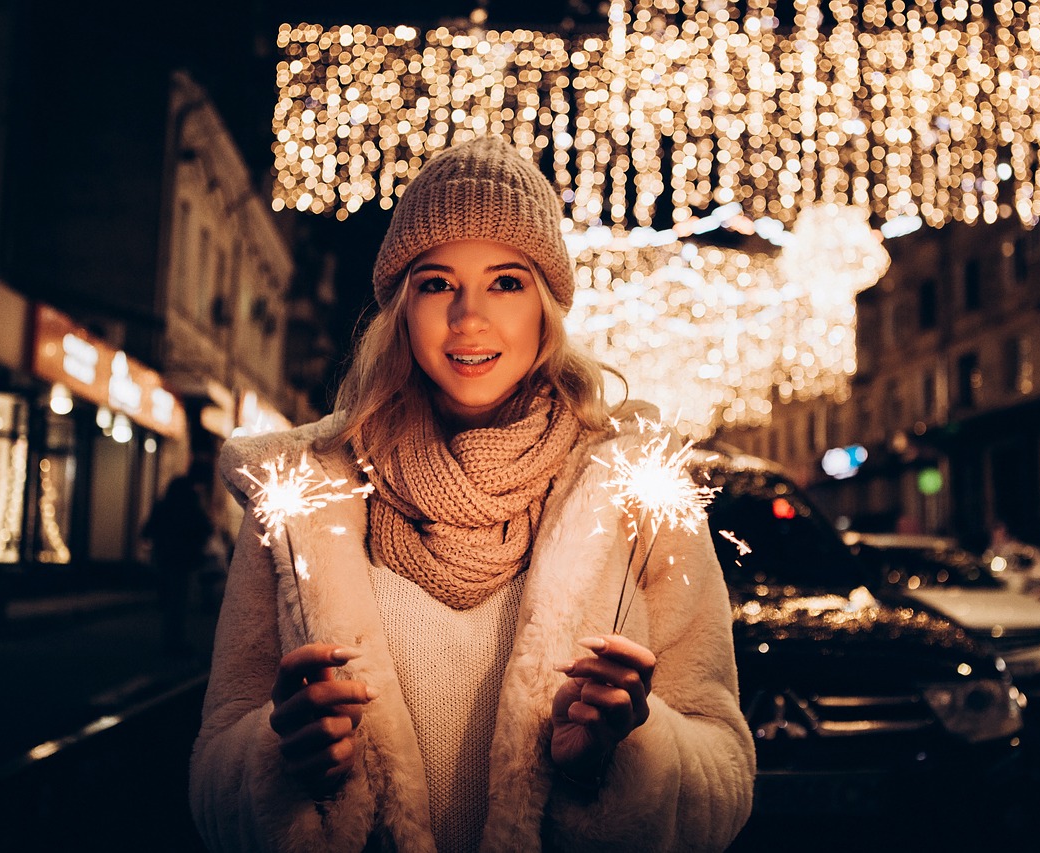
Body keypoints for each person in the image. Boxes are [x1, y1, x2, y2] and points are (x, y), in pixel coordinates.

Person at [189, 136, 755, 852]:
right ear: (401, 306)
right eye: (435, 282)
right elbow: (213, 777)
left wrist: (623, 755)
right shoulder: (304, 493)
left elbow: (725, 773)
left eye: (506, 281)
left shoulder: (636, 488)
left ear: (547, 305)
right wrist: (286, 761)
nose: (468, 317)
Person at [142, 465, 213, 655]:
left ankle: (170, 638)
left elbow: (147, 530)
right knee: (179, 599)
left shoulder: (163, 506)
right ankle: (174, 639)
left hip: (165, 558)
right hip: (183, 560)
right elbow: (206, 529)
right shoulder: (191, 508)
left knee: (171, 598)